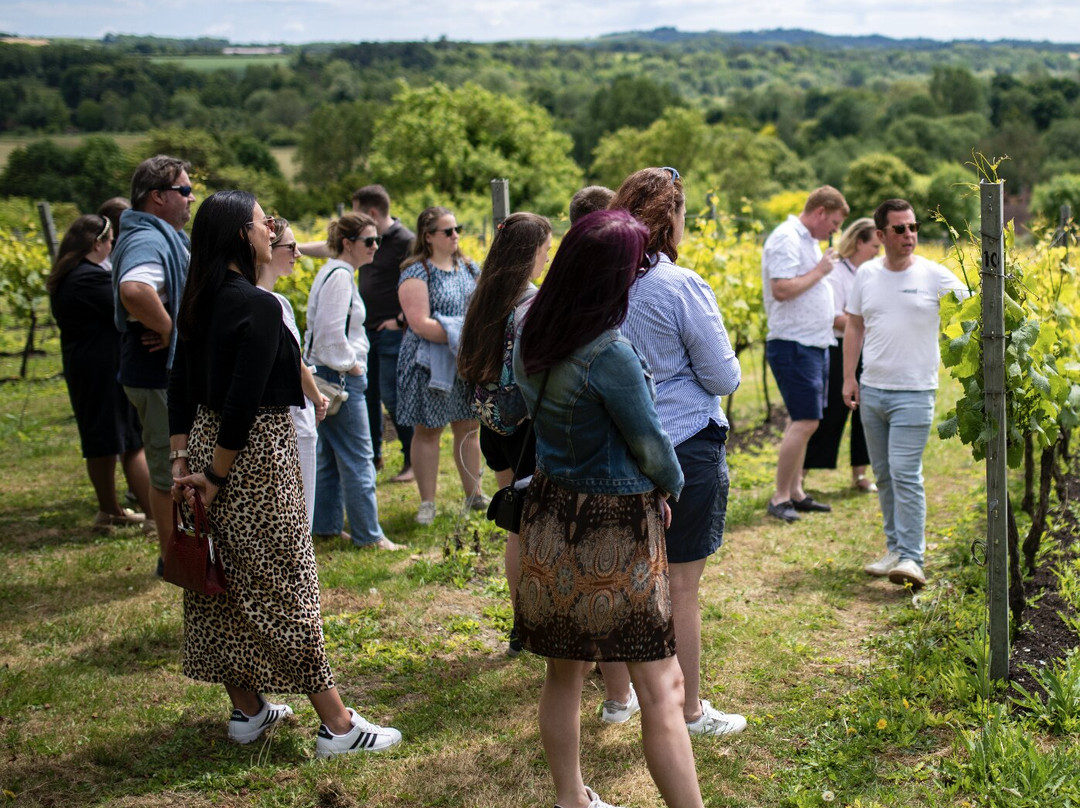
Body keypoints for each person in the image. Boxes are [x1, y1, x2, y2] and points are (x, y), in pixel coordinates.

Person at [168, 190, 401, 758]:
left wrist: (184, 462)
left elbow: (179, 382)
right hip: (252, 454)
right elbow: (245, 400)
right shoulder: (260, 305)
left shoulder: (198, 298)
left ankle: (248, 709)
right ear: (238, 237)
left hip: (201, 443)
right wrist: (218, 476)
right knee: (285, 581)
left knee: (219, 579)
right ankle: (339, 727)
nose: (268, 230)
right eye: (258, 223)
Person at [514, 209, 704, 808]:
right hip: (613, 528)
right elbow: (652, 446)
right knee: (661, 683)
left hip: (547, 514)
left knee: (563, 672)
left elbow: (509, 411)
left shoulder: (531, 330)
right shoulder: (609, 353)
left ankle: (571, 798)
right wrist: (671, 487)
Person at [611, 167, 746, 737]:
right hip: (685, 445)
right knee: (682, 586)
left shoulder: (602, 284)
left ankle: (620, 698)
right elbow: (723, 373)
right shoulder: (678, 286)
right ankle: (688, 711)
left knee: (625, 577)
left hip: (619, 449)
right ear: (672, 221)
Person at [843, 199, 968, 589]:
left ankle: (913, 557)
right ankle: (895, 550)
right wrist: (850, 377)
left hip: (915, 392)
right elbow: (855, 326)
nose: (909, 235)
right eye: (900, 229)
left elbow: (978, 308)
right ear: (880, 235)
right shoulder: (866, 274)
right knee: (883, 473)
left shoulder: (935, 276)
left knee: (905, 472)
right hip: (874, 391)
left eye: (913, 227)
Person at [457, 212, 552, 656]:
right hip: (529, 428)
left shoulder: (486, 296)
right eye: (544, 249)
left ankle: (520, 626)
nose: (547, 257)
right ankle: (544, 626)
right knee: (543, 531)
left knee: (516, 527)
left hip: (492, 423)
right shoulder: (532, 303)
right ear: (530, 253)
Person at [111, 155, 193, 572]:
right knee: (168, 472)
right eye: (184, 190)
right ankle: (172, 558)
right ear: (158, 197)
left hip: (159, 373)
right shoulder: (148, 238)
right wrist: (169, 330)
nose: (191, 197)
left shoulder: (162, 234)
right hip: (157, 373)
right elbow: (134, 289)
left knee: (175, 464)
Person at [303, 213, 402, 550]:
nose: (375, 247)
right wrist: (354, 365)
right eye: (369, 241)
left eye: (378, 240)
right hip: (340, 379)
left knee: (329, 455)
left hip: (329, 375)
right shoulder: (340, 276)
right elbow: (329, 334)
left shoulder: (335, 272)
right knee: (360, 457)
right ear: (348, 244)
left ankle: (326, 526)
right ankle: (369, 535)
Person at [47, 214, 150, 532]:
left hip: (87, 367)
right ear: (97, 243)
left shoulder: (70, 276)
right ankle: (157, 516)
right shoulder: (88, 278)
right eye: (109, 241)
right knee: (131, 442)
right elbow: (129, 308)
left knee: (102, 442)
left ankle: (110, 510)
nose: (112, 246)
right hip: (105, 369)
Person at [761, 185, 849, 522]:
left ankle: (796, 491)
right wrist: (822, 271)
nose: (836, 231)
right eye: (836, 222)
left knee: (809, 421)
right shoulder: (786, 237)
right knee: (805, 420)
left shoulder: (808, 241)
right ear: (821, 212)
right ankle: (780, 496)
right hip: (793, 343)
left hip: (814, 342)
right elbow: (781, 289)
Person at [397, 205, 484, 525]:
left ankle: (474, 494)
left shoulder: (470, 268)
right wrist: (462, 334)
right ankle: (428, 503)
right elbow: (419, 323)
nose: (455, 235)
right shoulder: (416, 272)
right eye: (448, 231)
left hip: (463, 360)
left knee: (469, 428)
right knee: (429, 430)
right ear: (428, 237)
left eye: (456, 228)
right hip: (429, 363)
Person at [255, 219, 329, 527]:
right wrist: (318, 397)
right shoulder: (270, 303)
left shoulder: (273, 300)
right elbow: (293, 363)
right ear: (267, 251)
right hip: (290, 417)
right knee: (299, 513)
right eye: (291, 247)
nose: (297, 254)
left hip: (286, 415)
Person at [803, 218, 880, 492]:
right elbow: (835, 317)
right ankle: (803, 471)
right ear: (859, 242)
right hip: (839, 350)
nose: (878, 251)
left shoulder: (874, 273)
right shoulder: (838, 273)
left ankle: (860, 474)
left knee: (864, 413)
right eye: (874, 245)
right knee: (832, 412)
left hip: (868, 350)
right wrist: (867, 325)